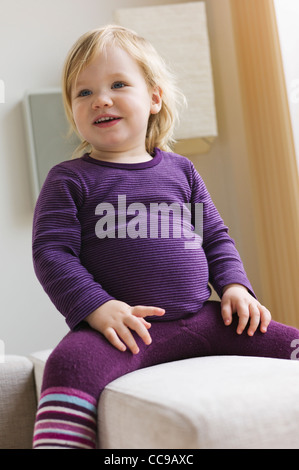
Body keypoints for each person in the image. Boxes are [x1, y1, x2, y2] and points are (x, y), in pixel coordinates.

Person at [32, 25, 299, 449]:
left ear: (154, 98)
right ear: (73, 112)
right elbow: (52, 253)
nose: (100, 98)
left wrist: (235, 287)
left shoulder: (181, 171)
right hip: (126, 329)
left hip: (207, 319)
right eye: (83, 93)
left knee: (285, 337)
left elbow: (215, 237)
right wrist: (98, 309)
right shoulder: (70, 180)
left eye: (118, 84)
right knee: (68, 363)